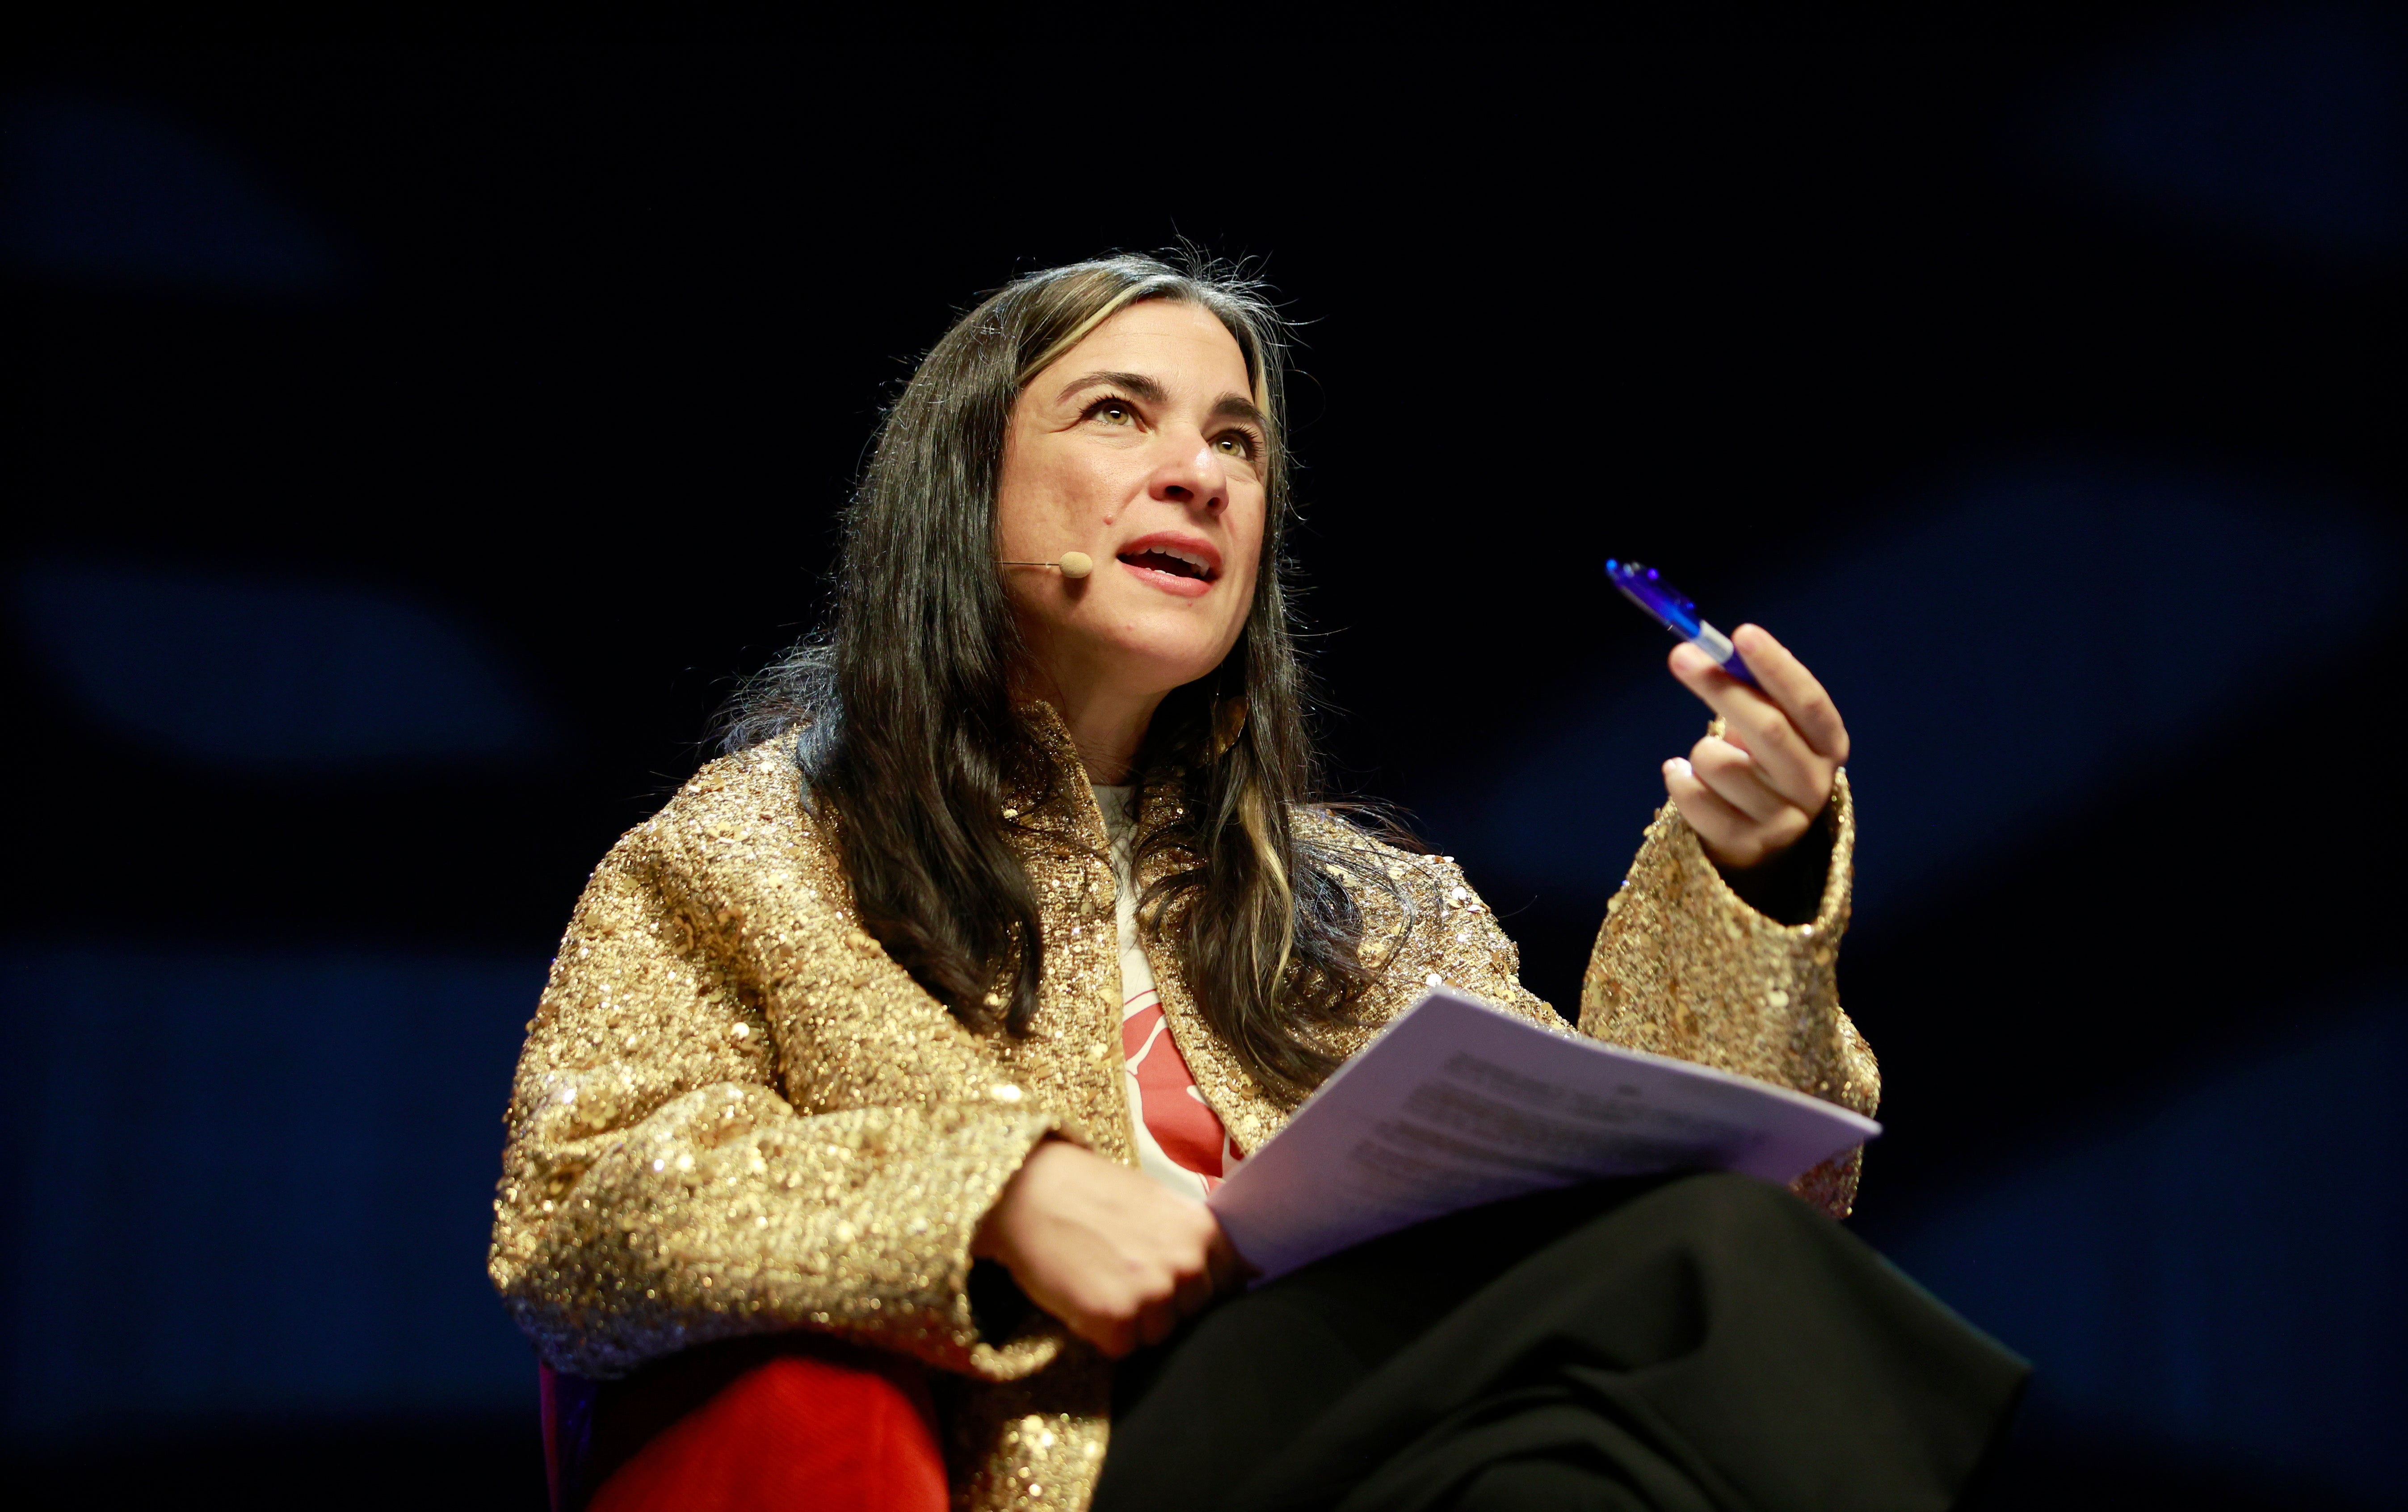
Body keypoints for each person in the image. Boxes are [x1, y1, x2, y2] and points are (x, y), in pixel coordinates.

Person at [490, 253, 2024, 1511]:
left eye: (1237, 442)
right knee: (1712, 1268)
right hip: (1091, 1459)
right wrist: (994, 1198)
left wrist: (1757, 875)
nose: (1201, 476)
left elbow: (1727, 1191)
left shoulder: (1373, 902)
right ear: (963, 487)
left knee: (1599, 1448)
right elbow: (572, 1214)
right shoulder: (760, 850)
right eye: (1119, 414)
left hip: (1404, 1447)